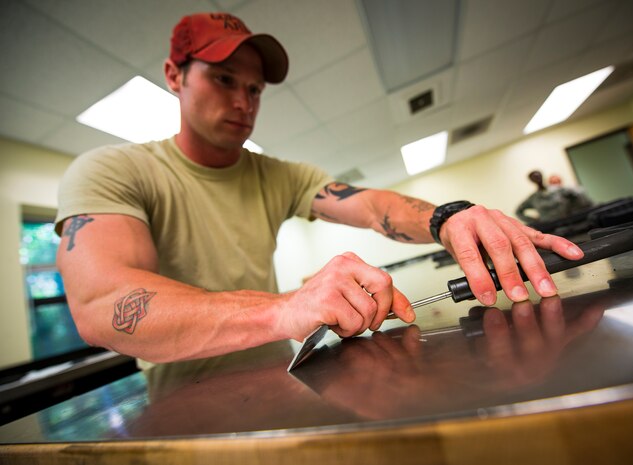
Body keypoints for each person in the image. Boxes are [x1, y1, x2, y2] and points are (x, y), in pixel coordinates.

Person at [55, 13, 584, 365]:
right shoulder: (110, 170)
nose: (244, 101)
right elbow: (101, 304)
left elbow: (373, 204)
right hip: (181, 406)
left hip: (279, 374)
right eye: (223, 79)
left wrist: (448, 218)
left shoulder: (277, 176)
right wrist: (285, 309)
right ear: (174, 75)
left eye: (255, 88)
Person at [515, 170, 593, 224]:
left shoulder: (559, 190)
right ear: (531, 180)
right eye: (533, 177)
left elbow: (581, 197)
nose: (537, 178)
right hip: (550, 228)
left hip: (569, 223)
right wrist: (535, 220)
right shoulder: (533, 198)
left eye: (538, 175)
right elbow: (518, 211)